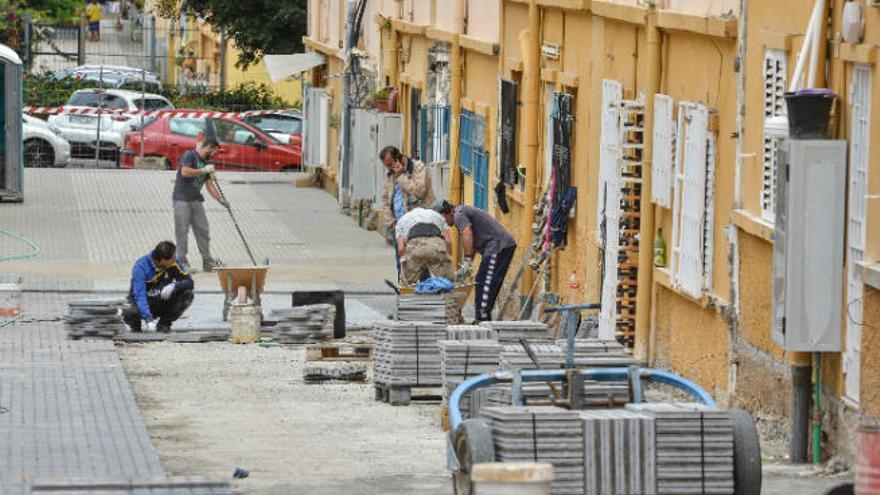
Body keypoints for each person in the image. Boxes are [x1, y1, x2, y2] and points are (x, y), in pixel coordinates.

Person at [434, 200, 517, 322]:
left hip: (498, 247)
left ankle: (483, 319)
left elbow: (467, 233)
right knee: (481, 281)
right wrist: (467, 266)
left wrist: (467, 260)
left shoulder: (458, 214)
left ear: (445, 214)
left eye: (442, 220)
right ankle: (481, 318)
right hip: (496, 248)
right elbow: (471, 242)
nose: (444, 224)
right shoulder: (460, 214)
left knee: (487, 283)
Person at [379, 146, 435, 278]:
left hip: (418, 224)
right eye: (386, 166)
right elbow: (385, 201)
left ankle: (423, 293)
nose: (389, 168)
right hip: (398, 226)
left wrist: (401, 176)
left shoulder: (418, 168)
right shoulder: (390, 176)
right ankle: (404, 293)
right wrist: (392, 223)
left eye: (390, 164)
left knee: (419, 262)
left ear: (399, 158)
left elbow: (419, 191)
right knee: (402, 262)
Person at [173, 137, 227, 272]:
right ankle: (182, 263)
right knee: (182, 232)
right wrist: (203, 171)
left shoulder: (205, 163)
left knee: (203, 230)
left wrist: (221, 200)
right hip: (182, 199)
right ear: (208, 147)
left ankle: (208, 262)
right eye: (214, 151)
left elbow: (210, 186)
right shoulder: (189, 155)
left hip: (196, 200)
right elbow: (184, 172)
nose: (215, 155)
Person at [123, 241, 194, 333]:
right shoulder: (141, 267)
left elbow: (189, 282)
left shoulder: (174, 263)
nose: (175, 259)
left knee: (187, 295)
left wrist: (175, 286)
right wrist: (148, 318)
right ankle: (136, 327)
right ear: (163, 260)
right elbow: (139, 295)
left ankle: (164, 324)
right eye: (172, 258)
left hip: (161, 300)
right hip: (143, 302)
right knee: (129, 312)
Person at [395, 197, 454, 286]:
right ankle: (450, 297)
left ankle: (405, 295)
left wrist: (405, 264)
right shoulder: (435, 215)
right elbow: (448, 241)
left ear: (407, 208)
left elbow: (400, 249)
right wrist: (447, 258)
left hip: (415, 247)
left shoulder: (402, 220)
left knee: (406, 286)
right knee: (449, 283)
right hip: (436, 245)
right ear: (423, 206)